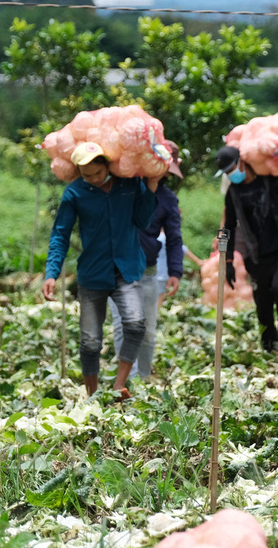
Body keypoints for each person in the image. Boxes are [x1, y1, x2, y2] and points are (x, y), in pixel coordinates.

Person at [42, 141, 159, 399]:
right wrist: (52, 272)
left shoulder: (129, 185)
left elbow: (143, 220)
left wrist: (150, 187)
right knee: (90, 341)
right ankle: (92, 394)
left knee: (136, 324)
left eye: (97, 173)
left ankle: (119, 384)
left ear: (107, 165)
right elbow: (60, 234)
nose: (94, 179)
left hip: (126, 269)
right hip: (93, 274)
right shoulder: (74, 194)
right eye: (87, 176)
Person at [215, 121, 278, 355]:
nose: (232, 175)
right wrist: (228, 261)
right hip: (257, 254)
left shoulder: (270, 177)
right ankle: (268, 345)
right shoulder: (233, 193)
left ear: (242, 162)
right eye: (227, 173)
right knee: (262, 303)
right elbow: (228, 225)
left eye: (232, 169)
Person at [109, 140, 185, 380]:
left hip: (148, 271)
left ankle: (141, 380)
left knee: (148, 331)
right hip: (118, 269)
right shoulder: (123, 188)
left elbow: (174, 238)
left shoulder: (167, 198)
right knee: (123, 326)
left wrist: (175, 271)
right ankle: (126, 382)